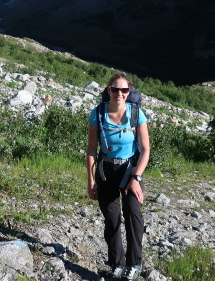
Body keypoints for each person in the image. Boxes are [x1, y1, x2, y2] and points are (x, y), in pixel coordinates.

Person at [87, 73, 150, 281]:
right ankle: (117, 264)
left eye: (124, 90)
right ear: (108, 90)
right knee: (111, 219)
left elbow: (145, 149)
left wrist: (136, 177)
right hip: (106, 172)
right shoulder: (97, 114)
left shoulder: (136, 114)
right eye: (115, 90)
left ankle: (134, 264)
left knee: (133, 213)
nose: (120, 94)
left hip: (130, 171)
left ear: (129, 92)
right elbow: (91, 150)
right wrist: (91, 181)